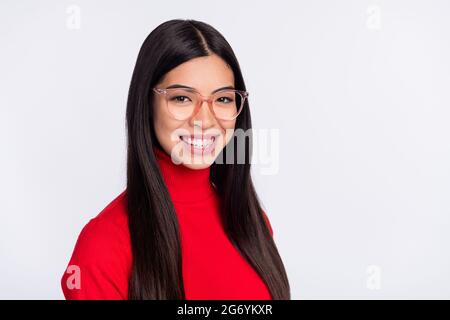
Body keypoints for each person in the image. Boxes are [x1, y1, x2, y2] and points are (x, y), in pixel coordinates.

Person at [61, 19, 290, 300]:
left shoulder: (252, 222)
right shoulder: (103, 245)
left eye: (223, 99)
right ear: (146, 104)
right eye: (182, 98)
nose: (205, 120)